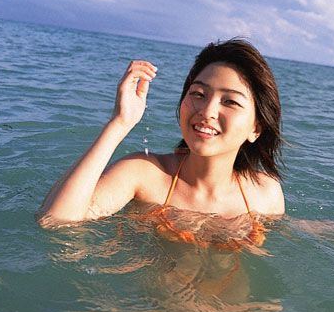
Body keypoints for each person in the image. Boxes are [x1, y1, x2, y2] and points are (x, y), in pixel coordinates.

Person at [37, 38, 285, 246]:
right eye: (198, 94)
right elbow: (56, 222)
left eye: (230, 101)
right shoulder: (144, 175)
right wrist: (120, 122)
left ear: (256, 128)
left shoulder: (264, 194)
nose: (207, 111)